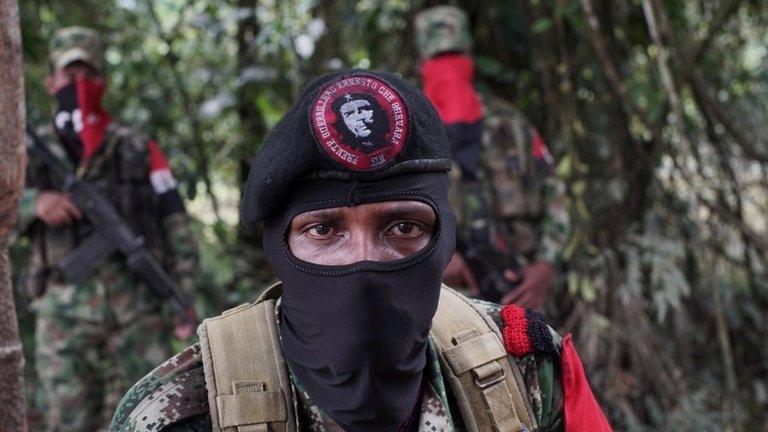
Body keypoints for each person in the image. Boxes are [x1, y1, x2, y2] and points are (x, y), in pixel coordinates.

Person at [110, 70, 610, 432]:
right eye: (324, 231)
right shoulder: (179, 414)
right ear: (279, 246)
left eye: (404, 227)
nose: (364, 262)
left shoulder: (526, 371)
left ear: (444, 238)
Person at [17, 26, 199, 431]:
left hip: (137, 313)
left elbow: (175, 221)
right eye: (69, 76)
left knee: (153, 419)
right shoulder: (26, 151)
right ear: (51, 83)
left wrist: (182, 295)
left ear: (103, 81)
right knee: (69, 423)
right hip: (63, 316)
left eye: (89, 75)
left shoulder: (137, 146)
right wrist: (34, 203)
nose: (79, 85)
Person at [415, 6, 571, 309]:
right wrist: (433, 253)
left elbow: (555, 194)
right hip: (448, 304)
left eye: (455, 55)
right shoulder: (409, 133)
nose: (447, 68)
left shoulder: (511, 124)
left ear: (470, 58)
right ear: (422, 64)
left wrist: (546, 265)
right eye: (437, 59)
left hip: (523, 288)